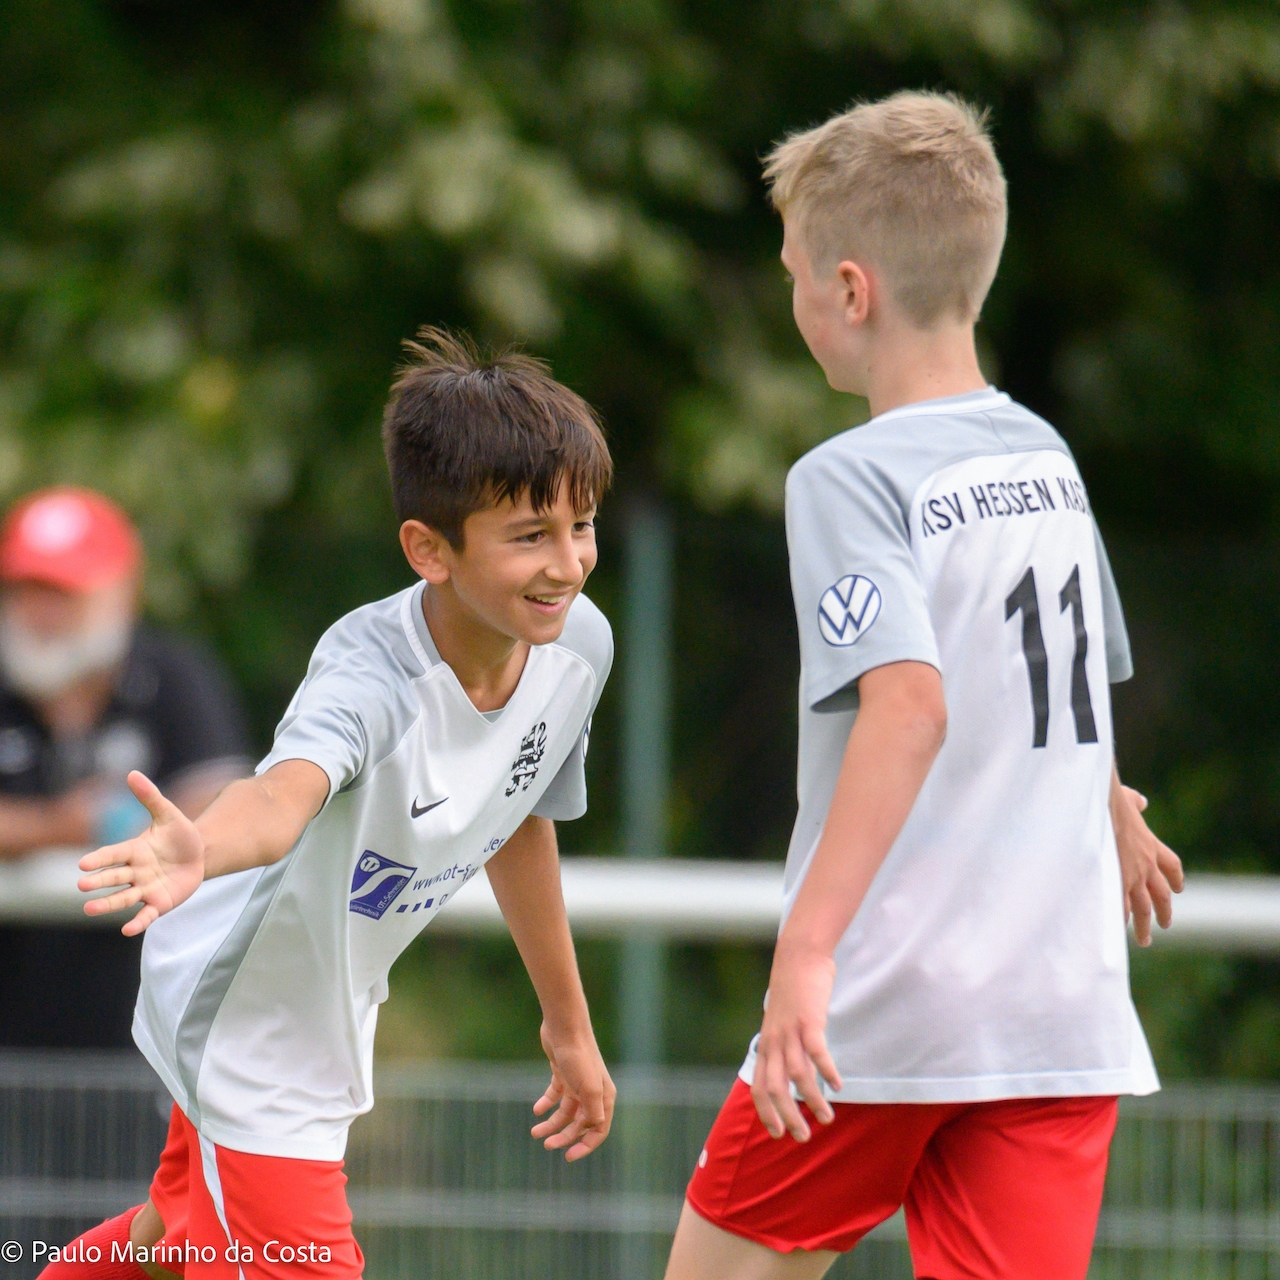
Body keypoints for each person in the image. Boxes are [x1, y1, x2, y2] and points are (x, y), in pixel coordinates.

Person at [665, 92, 1185, 1280]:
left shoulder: (844, 477)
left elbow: (909, 705)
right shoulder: (1044, 456)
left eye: (792, 275)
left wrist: (806, 951)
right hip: (1052, 1011)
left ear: (849, 291)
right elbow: (1058, 675)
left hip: (884, 1007)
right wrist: (1107, 799)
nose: (792, 298)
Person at [38, 330, 617, 1280]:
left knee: (170, 1242)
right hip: (244, 1016)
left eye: (581, 525)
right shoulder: (369, 677)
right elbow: (279, 799)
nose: (568, 564)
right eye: (529, 537)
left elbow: (519, 816)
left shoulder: (578, 646)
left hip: (327, 1006)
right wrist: (201, 847)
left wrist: (567, 1023)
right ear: (428, 550)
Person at [0, 487, 251, 1050]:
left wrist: (129, 828)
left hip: (145, 1046)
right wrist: (60, 826)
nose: (42, 613)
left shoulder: (175, 677)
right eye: (26, 589)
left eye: (64, 592)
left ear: (121, 593)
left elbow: (229, 806)